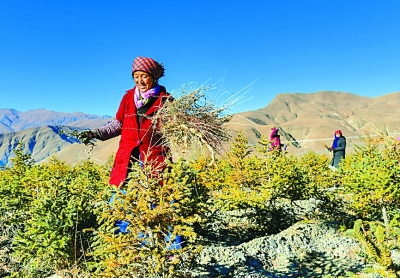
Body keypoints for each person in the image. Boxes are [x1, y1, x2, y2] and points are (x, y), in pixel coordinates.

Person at [77, 56, 183, 249]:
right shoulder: (127, 98)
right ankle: (123, 244)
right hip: (128, 159)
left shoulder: (166, 101)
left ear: (154, 77)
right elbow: (118, 124)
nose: (140, 81)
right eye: (136, 76)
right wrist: (96, 133)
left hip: (155, 158)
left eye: (144, 76)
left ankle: (171, 248)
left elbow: (176, 127)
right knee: (119, 200)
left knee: (163, 201)